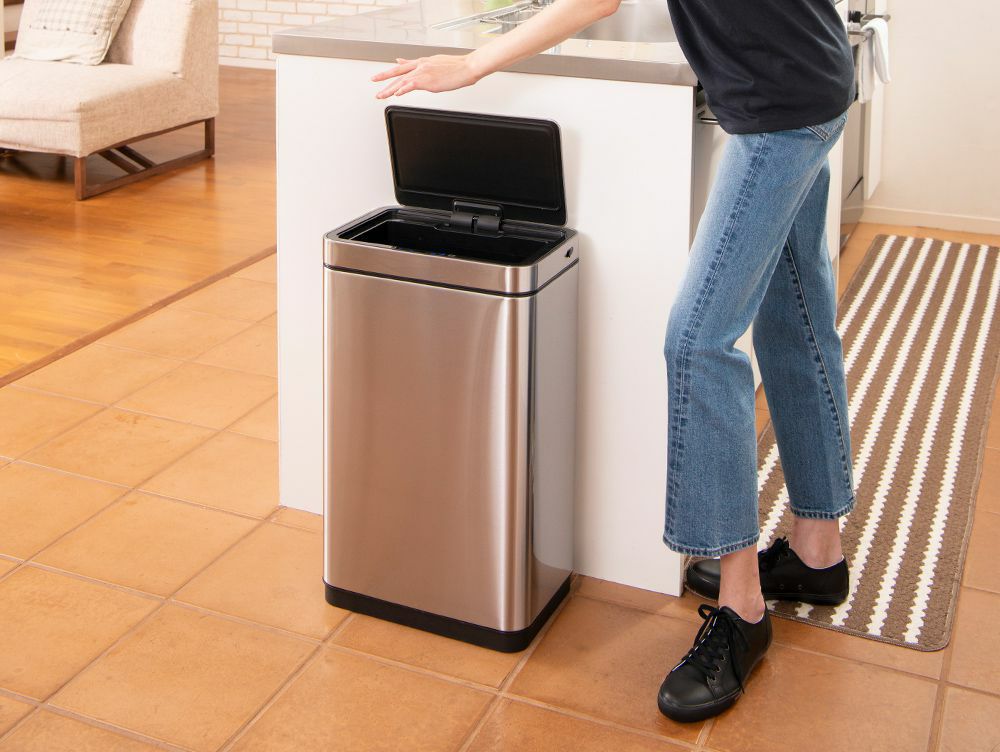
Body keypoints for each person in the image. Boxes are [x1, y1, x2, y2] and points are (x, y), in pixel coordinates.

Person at [372, 0, 857, 723]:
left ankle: (743, 607)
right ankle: (819, 554)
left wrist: (473, 64)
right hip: (810, 80)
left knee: (698, 341)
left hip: (780, 109)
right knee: (797, 321)